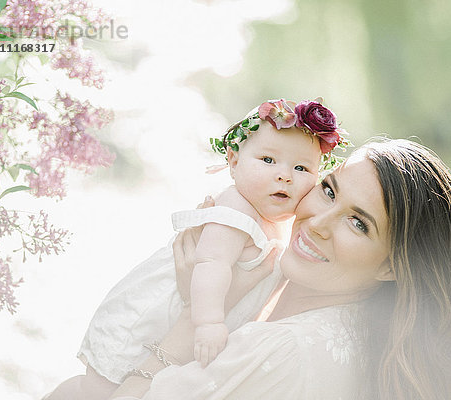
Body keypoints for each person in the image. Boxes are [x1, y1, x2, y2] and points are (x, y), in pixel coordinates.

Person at [101, 138, 451, 400]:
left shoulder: (284, 350)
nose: (317, 222)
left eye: (358, 223)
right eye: (328, 190)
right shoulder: (373, 342)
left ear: (392, 267)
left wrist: (195, 315)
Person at [45, 99, 350, 399]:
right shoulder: (237, 209)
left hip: (177, 328)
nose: (284, 175)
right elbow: (210, 263)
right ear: (233, 161)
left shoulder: (274, 221)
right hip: (151, 320)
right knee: (98, 390)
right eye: (268, 161)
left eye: (301, 168)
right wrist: (208, 323)